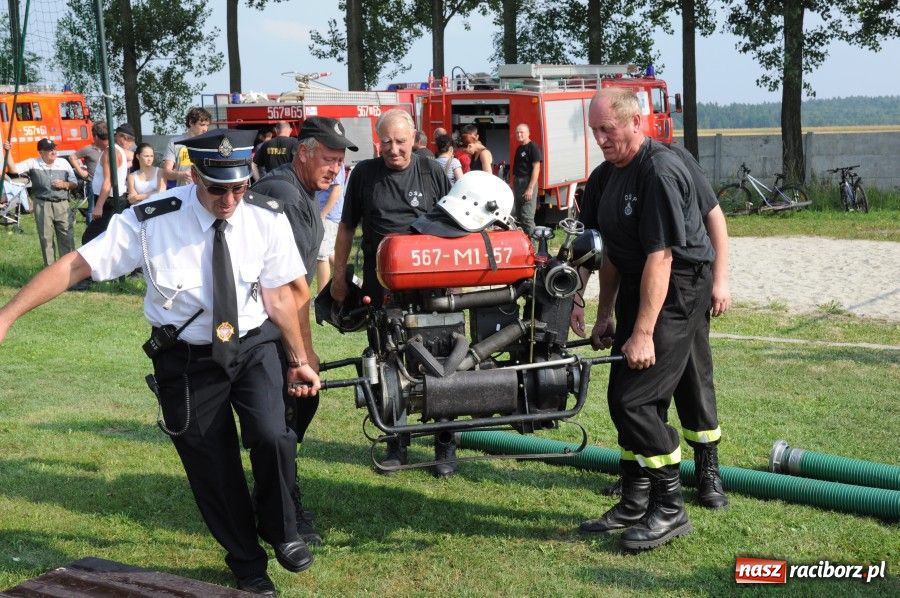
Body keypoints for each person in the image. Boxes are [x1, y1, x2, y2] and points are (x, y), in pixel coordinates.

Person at [0, 129, 321, 596]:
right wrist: (8, 315)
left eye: (237, 187)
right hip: (187, 358)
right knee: (214, 467)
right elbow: (77, 265)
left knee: (274, 436)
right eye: (217, 188)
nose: (229, 199)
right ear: (194, 177)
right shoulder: (151, 221)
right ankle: (248, 562)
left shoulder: (265, 217)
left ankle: (281, 528)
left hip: (252, 346)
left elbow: (282, 294)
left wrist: (297, 357)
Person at [570, 88, 715, 551]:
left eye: (606, 129)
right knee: (621, 396)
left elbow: (661, 256)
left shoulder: (659, 171)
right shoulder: (604, 177)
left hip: (676, 289)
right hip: (638, 285)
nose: (600, 139)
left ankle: (669, 508)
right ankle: (635, 500)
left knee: (637, 400)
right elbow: (610, 252)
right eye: (594, 130)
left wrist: (645, 333)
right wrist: (605, 312)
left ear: (635, 122)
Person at [252, 116, 358, 544]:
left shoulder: (298, 191)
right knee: (283, 418)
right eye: (329, 160)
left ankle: (277, 498)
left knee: (292, 416)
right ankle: (281, 511)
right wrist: (303, 355)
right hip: (263, 329)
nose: (335, 170)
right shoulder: (283, 195)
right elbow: (288, 286)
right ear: (303, 153)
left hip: (271, 326)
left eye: (340, 163)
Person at [330, 108, 453, 477]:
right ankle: (396, 442)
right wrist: (339, 277)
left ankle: (445, 445)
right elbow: (346, 227)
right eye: (386, 142)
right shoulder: (365, 174)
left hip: (431, 284)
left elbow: (455, 222)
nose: (394, 149)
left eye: (401, 141)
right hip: (380, 286)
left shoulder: (432, 171)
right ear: (376, 142)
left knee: (446, 361)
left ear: (414, 139)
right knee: (387, 361)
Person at [3, 138, 78, 266]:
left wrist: (65, 184)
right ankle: (50, 271)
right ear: (41, 152)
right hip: (42, 204)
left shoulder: (63, 163)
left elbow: (74, 183)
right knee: (46, 238)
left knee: (66, 236)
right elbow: (14, 169)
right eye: (49, 150)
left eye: (54, 148)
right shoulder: (33, 163)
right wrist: (8, 151)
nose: (54, 151)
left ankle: (67, 270)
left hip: (62, 203)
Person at [83, 123, 135, 244]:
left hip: (109, 201)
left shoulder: (110, 152)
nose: (129, 143)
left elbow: (108, 181)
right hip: (112, 199)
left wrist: (99, 206)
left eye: (129, 140)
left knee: (89, 239)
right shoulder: (119, 151)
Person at [68, 122, 109, 223]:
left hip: (108, 183)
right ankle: (91, 229)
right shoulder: (89, 149)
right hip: (93, 183)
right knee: (92, 208)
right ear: (95, 136)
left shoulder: (111, 148)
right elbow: (72, 157)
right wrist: (81, 172)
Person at [161, 107, 211, 188]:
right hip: (183, 192)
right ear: (191, 122)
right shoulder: (174, 142)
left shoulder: (209, 144)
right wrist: (181, 175)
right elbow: (166, 173)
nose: (205, 129)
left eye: (207, 125)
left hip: (205, 192)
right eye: (202, 125)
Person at [316, 164, 348, 287]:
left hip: (328, 216)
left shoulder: (335, 164)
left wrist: (323, 214)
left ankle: (320, 296)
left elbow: (337, 190)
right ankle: (355, 280)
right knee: (329, 254)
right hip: (324, 214)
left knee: (321, 256)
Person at [510, 124, 542, 236]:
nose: (519, 134)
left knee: (527, 217)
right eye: (517, 132)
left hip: (527, 182)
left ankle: (533, 245)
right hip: (518, 183)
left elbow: (536, 168)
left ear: (528, 133)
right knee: (518, 217)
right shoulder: (519, 148)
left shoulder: (532, 147)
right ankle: (522, 245)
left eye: (521, 132)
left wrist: (530, 188)